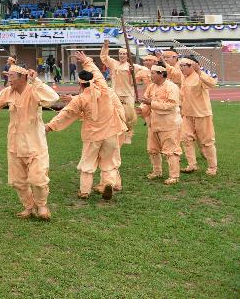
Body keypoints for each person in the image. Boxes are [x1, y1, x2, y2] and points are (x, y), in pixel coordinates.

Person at [0, 65, 59, 220]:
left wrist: (37, 81)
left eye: (12, 76)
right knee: (18, 181)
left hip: (35, 143)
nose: (9, 79)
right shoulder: (8, 92)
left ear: (23, 77)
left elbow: (53, 98)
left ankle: (41, 205)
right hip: (14, 143)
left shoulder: (34, 90)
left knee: (38, 179)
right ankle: (29, 207)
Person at [46, 51, 127, 200]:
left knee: (88, 164)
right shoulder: (105, 90)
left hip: (93, 136)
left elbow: (66, 114)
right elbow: (97, 74)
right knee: (109, 162)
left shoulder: (80, 99)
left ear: (80, 83)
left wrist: (50, 126)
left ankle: (85, 191)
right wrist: (87, 61)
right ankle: (108, 183)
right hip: (111, 133)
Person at [138, 64, 182, 185]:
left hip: (169, 124)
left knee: (171, 151)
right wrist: (142, 109)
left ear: (161, 74)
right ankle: (157, 172)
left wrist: (152, 103)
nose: (150, 75)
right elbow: (146, 101)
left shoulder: (171, 87)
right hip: (154, 123)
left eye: (153, 73)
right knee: (153, 150)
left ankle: (174, 176)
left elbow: (172, 105)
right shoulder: (151, 86)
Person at [178, 57, 218, 176]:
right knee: (186, 139)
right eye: (180, 65)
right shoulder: (184, 77)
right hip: (187, 114)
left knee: (207, 142)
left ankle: (212, 167)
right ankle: (192, 165)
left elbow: (212, 83)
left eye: (184, 65)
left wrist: (199, 72)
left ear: (192, 66)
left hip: (202, 114)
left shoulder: (200, 76)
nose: (181, 68)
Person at [100, 40, 144, 144]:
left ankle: (128, 135)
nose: (122, 55)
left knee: (129, 116)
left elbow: (145, 71)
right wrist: (106, 46)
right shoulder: (114, 64)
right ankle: (117, 133)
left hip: (128, 94)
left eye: (124, 54)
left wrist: (136, 77)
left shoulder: (133, 66)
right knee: (114, 114)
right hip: (116, 94)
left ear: (128, 56)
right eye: (120, 54)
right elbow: (104, 58)